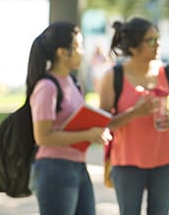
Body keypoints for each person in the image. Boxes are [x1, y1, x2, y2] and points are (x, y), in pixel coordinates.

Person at [98, 17, 169, 215]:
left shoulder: (168, 73)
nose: (158, 45)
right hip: (127, 162)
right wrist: (135, 113)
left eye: (159, 39)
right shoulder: (113, 77)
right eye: (151, 41)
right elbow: (103, 124)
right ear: (134, 47)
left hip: (166, 160)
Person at [28, 21, 110, 215]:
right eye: (78, 46)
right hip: (55, 169)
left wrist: (91, 134)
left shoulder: (73, 82)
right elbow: (43, 137)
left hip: (78, 165)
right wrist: (87, 134)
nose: (83, 51)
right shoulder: (47, 87)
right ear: (62, 52)